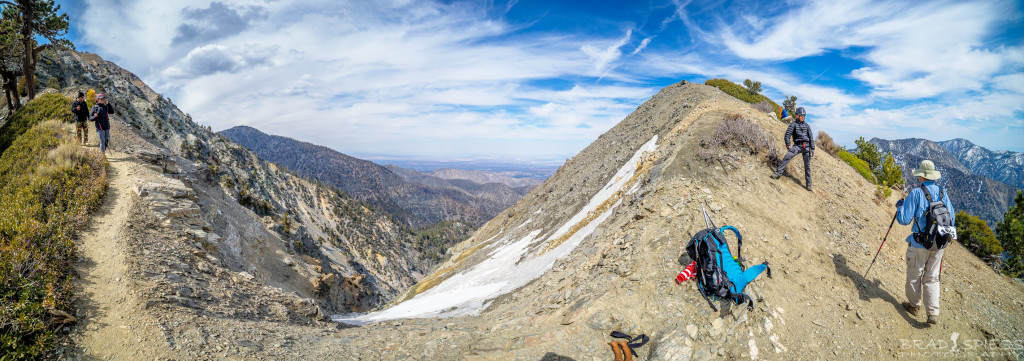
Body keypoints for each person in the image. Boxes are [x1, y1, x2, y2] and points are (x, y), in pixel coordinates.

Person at [895, 160, 955, 325]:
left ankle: (914, 306)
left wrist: (900, 207)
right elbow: (952, 218)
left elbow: (904, 220)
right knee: (932, 277)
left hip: (919, 244)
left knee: (915, 275)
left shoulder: (916, 193)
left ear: (921, 176)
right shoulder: (943, 193)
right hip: (939, 244)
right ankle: (933, 313)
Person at [769, 107, 814, 190]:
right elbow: (787, 135)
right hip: (797, 146)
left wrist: (813, 149)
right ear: (797, 115)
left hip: (806, 147)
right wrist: (788, 145)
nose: (802, 117)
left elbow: (811, 138)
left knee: (807, 166)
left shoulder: (807, 126)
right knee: (787, 157)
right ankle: (778, 173)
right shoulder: (793, 124)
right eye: (801, 115)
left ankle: (809, 185)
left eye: (804, 115)